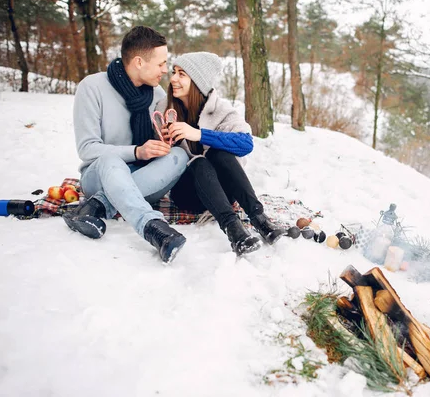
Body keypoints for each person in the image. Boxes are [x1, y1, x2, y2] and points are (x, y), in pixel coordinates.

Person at [63, 26, 189, 264]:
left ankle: (97, 206)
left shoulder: (157, 94)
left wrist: (164, 138)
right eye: (161, 63)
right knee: (112, 160)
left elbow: (165, 137)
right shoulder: (92, 88)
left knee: (179, 156)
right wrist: (136, 152)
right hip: (99, 175)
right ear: (139, 62)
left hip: (144, 176)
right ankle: (152, 227)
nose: (165, 71)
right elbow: (87, 148)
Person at [154, 52, 286, 256]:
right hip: (187, 193)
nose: (173, 79)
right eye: (174, 72)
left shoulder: (221, 110)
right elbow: (156, 157)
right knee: (198, 163)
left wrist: (199, 134)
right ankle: (235, 231)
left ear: (198, 82)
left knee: (220, 154)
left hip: (224, 192)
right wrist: (163, 143)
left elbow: (245, 144)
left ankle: (260, 220)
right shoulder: (164, 110)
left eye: (182, 74)